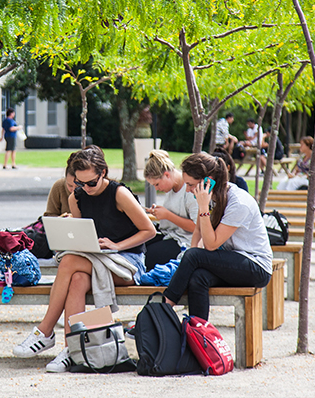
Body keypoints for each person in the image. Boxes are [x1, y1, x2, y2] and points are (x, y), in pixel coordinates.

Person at [12, 146, 155, 372]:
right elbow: (81, 240)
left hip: (128, 261)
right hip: (96, 259)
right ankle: (73, 348)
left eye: (91, 183)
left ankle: (45, 330)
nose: (85, 188)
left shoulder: (119, 194)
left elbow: (149, 231)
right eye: (80, 183)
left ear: (103, 173)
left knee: (69, 262)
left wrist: (117, 245)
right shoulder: (75, 198)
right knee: (77, 279)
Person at [162, 153, 272, 321]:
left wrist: (204, 206)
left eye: (190, 184)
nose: (187, 190)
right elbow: (198, 231)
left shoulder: (238, 202)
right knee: (198, 278)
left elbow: (211, 244)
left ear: (208, 180)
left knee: (194, 256)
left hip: (256, 266)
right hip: (233, 261)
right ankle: (198, 333)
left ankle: (164, 308)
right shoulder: (208, 197)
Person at [142, 150, 198, 272]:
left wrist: (167, 215)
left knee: (147, 257)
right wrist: (159, 213)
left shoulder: (189, 189)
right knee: (139, 246)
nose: (157, 189)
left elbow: (197, 227)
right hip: (170, 235)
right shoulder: (171, 188)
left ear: (167, 175)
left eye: (157, 184)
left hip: (185, 241)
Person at [44, 152, 78, 217]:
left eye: (78, 186)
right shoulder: (59, 186)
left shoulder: (90, 189)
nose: (73, 190)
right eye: (70, 185)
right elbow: (50, 215)